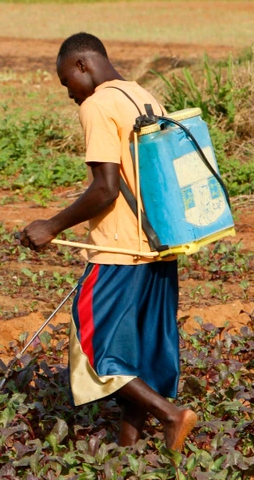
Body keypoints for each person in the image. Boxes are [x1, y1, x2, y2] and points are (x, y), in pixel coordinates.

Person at [18, 32, 197, 452]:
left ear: (82, 65)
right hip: (158, 245)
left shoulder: (98, 105)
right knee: (141, 354)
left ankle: (173, 416)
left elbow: (105, 188)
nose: (70, 95)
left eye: (67, 84)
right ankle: (129, 450)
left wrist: (51, 225)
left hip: (119, 251)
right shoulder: (145, 96)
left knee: (94, 350)